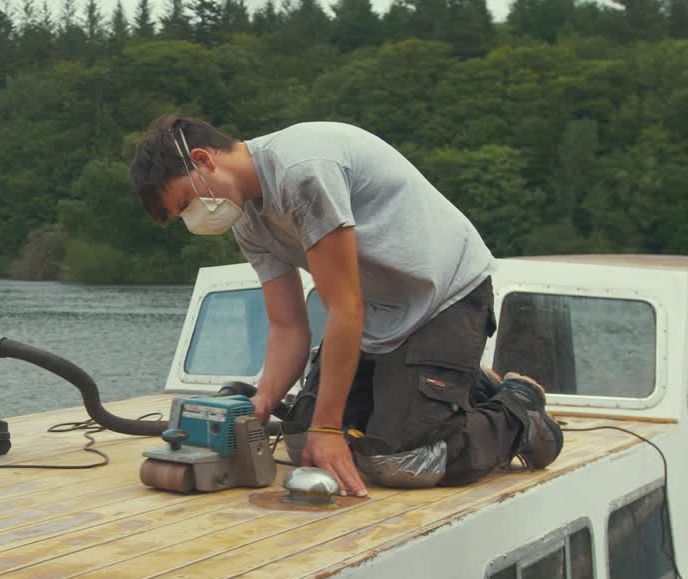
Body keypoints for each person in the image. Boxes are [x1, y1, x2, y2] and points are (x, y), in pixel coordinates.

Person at [129, 115, 563, 496]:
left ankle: (518, 408)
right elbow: (287, 328)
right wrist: (262, 402)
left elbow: (343, 306)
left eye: (187, 203)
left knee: (404, 461)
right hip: (375, 311)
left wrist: (328, 427)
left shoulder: (301, 171)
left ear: (204, 160)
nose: (195, 219)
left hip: (445, 299)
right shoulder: (247, 220)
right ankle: (458, 384)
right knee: (302, 444)